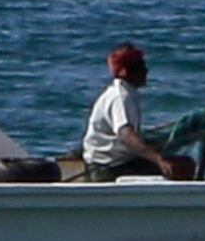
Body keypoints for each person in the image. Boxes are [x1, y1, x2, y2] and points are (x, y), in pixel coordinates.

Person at [78, 42, 188, 179]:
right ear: (125, 72)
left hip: (110, 162)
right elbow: (126, 134)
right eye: (141, 67)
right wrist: (158, 160)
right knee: (183, 165)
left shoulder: (122, 93)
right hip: (110, 168)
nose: (146, 70)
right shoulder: (121, 97)